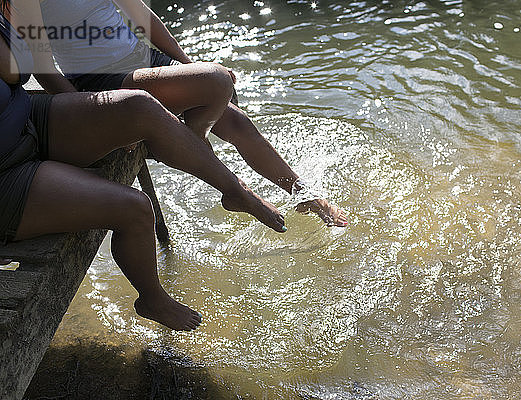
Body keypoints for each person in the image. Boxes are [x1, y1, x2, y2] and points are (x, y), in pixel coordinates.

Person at [1, 0, 288, 330]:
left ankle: (268, 190)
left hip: (32, 116)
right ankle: (152, 296)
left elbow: (144, 18)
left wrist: (182, 65)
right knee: (138, 208)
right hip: (19, 155)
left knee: (217, 88)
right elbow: (36, 64)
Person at [34, 0, 348, 227]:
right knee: (217, 79)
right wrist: (94, 115)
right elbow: (42, 68)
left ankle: (301, 193)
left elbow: (144, 17)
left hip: (145, 60)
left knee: (232, 113)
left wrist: (186, 66)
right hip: (104, 83)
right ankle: (219, 167)